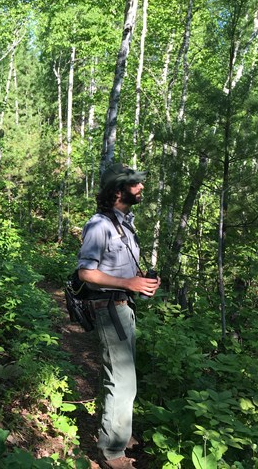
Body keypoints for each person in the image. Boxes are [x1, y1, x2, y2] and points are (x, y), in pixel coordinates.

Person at [76, 163, 161, 469]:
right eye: (135, 184)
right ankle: (113, 451)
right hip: (108, 308)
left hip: (122, 306)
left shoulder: (123, 224)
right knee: (123, 380)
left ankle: (118, 430)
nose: (141, 188)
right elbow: (85, 273)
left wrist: (139, 280)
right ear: (117, 191)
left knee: (121, 377)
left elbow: (117, 265)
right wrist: (128, 283)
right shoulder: (100, 225)